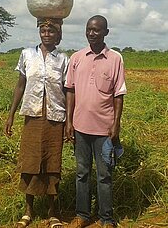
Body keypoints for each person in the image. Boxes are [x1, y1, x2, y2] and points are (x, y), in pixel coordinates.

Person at [4, 18, 68, 228]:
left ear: (58, 35)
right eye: (43, 30)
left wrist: (70, 121)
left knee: (52, 164)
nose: (47, 34)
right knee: (30, 162)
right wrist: (11, 114)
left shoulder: (63, 59)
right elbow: (20, 86)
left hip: (55, 118)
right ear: (39, 32)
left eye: (51, 31)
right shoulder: (27, 55)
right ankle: (28, 210)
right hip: (32, 116)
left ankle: (52, 212)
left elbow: (68, 92)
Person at [64, 15, 127, 228]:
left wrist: (116, 124)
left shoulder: (115, 58)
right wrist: (69, 122)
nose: (92, 33)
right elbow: (70, 90)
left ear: (106, 33)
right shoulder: (77, 58)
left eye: (97, 30)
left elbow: (118, 94)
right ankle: (82, 215)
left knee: (104, 175)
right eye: (89, 29)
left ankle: (106, 219)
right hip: (80, 127)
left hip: (104, 130)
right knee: (82, 173)